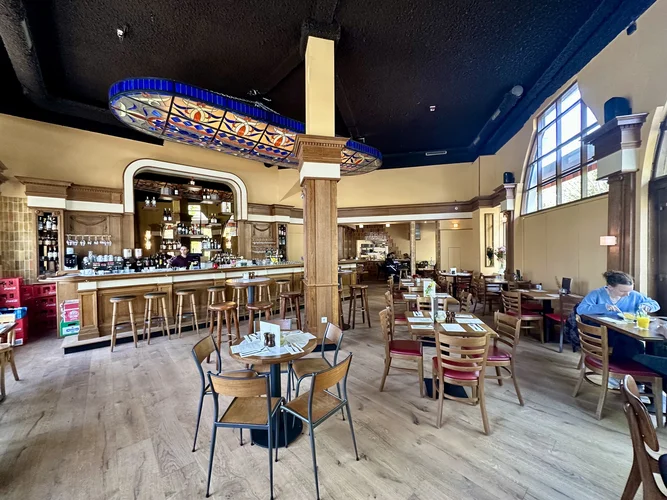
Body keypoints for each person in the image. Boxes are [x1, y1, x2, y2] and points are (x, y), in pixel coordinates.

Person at [578, 270, 660, 362]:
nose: (627, 294)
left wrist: (647, 306)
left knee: (653, 343)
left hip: (626, 331)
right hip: (603, 332)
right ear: (610, 287)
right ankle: (620, 367)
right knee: (628, 343)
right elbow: (581, 309)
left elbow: (654, 304)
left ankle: (649, 367)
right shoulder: (597, 294)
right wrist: (604, 307)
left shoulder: (634, 295)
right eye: (622, 291)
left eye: (630, 291)